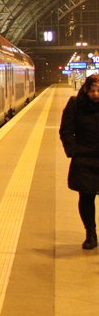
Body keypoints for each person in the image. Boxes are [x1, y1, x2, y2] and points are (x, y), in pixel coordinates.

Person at [60, 73, 99, 249]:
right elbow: (66, 130)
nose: (96, 94)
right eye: (92, 90)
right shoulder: (75, 105)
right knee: (86, 197)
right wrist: (74, 151)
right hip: (84, 159)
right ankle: (90, 233)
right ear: (85, 89)